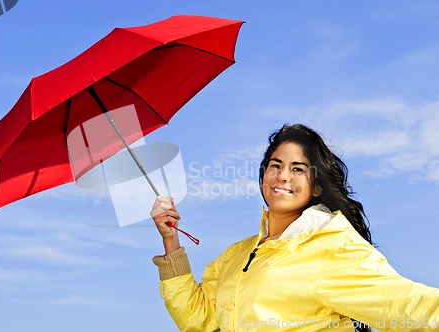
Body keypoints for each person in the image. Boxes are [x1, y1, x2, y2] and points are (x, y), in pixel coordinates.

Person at [151, 124, 439, 332]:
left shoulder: (333, 246)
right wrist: (171, 240)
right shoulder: (235, 255)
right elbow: (198, 321)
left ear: (316, 187)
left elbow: (406, 305)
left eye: (298, 169)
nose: (282, 176)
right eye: (275, 165)